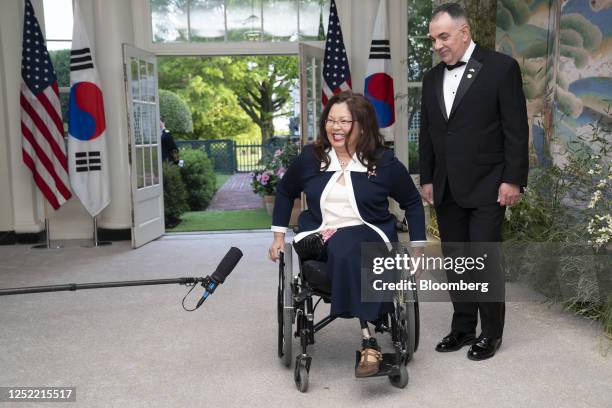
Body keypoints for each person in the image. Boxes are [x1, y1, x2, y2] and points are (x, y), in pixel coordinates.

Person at [268, 91, 426, 377]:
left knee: (351, 245)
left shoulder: (382, 162)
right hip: (318, 238)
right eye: (330, 120)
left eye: (344, 121)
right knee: (344, 245)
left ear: (362, 126)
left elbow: (412, 201)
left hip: (371, 235)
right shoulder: (311, 158)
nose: (335, 127)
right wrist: (278, 237)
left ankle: (367, 334)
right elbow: (284, 191)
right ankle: (369, 340)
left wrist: (417, 248)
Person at [419, 3, 528, 360]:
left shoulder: (501, 68)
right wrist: (427, 177)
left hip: (488, 183)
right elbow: (431, 133)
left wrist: (513, 179)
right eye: (434, 38)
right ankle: (463, 328)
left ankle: (491, 334)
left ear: (465, 33)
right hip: (446, 186)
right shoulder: (432, 78)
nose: (437, 44)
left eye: (444, 36)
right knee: (456, 261)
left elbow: (515, 129)